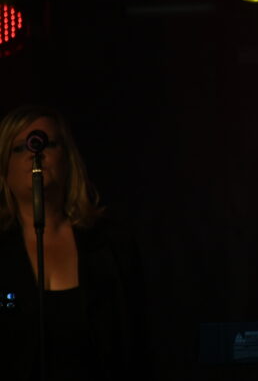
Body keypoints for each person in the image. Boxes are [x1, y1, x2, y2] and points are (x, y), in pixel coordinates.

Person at [0, 104, 149, 381]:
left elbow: (138, 342)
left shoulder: (111, 244)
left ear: (68, 158)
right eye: (20, 148)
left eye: (46, 143)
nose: (35, 154)